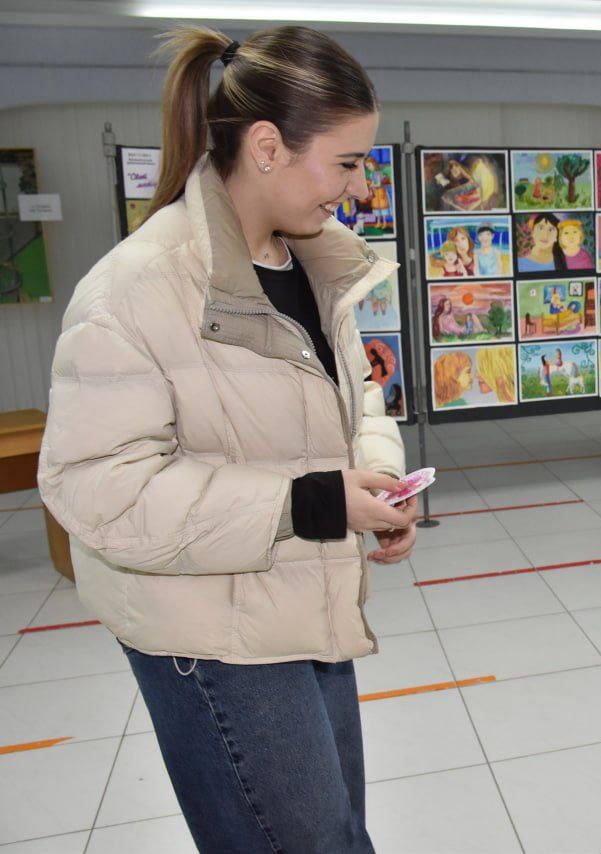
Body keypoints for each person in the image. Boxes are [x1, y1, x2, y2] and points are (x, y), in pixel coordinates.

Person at [37, 25, 416, 854]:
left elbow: (355, 394)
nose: (359, 188)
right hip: (210, 637)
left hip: (303, 601)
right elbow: (98, 491)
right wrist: (310, 503)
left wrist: (378, 480)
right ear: (269, 147)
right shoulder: (136, 289)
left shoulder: (311, 263)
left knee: (339, 837)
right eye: (348, 163)